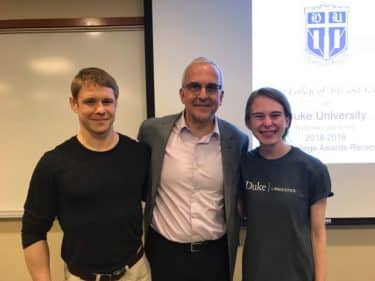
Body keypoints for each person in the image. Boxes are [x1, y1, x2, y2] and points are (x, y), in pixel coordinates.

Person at [22, 67, 151, 281]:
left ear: (116, 104)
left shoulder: (138, 153)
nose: (100, 109)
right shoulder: (53, 163)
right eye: (90, 101)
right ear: (74, 104)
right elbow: (32, 232)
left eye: (107, 101)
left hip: (137, 273)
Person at [137, 57, 249, 281]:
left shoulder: (237, 140)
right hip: (163, 254)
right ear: (182, 94)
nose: (203, 95)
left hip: (215, 257)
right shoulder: (152, 132)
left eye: (211, 87)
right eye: (194, 86)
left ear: (221, 96)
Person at [240, 87, 333, 281]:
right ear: (249, 123)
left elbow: (318, 233)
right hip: (256, 273)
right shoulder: (242, 165)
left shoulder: (312, 168)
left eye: (275, 115)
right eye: (258, 116)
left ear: (287, 120)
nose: (267, 123)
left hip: (298, 273)